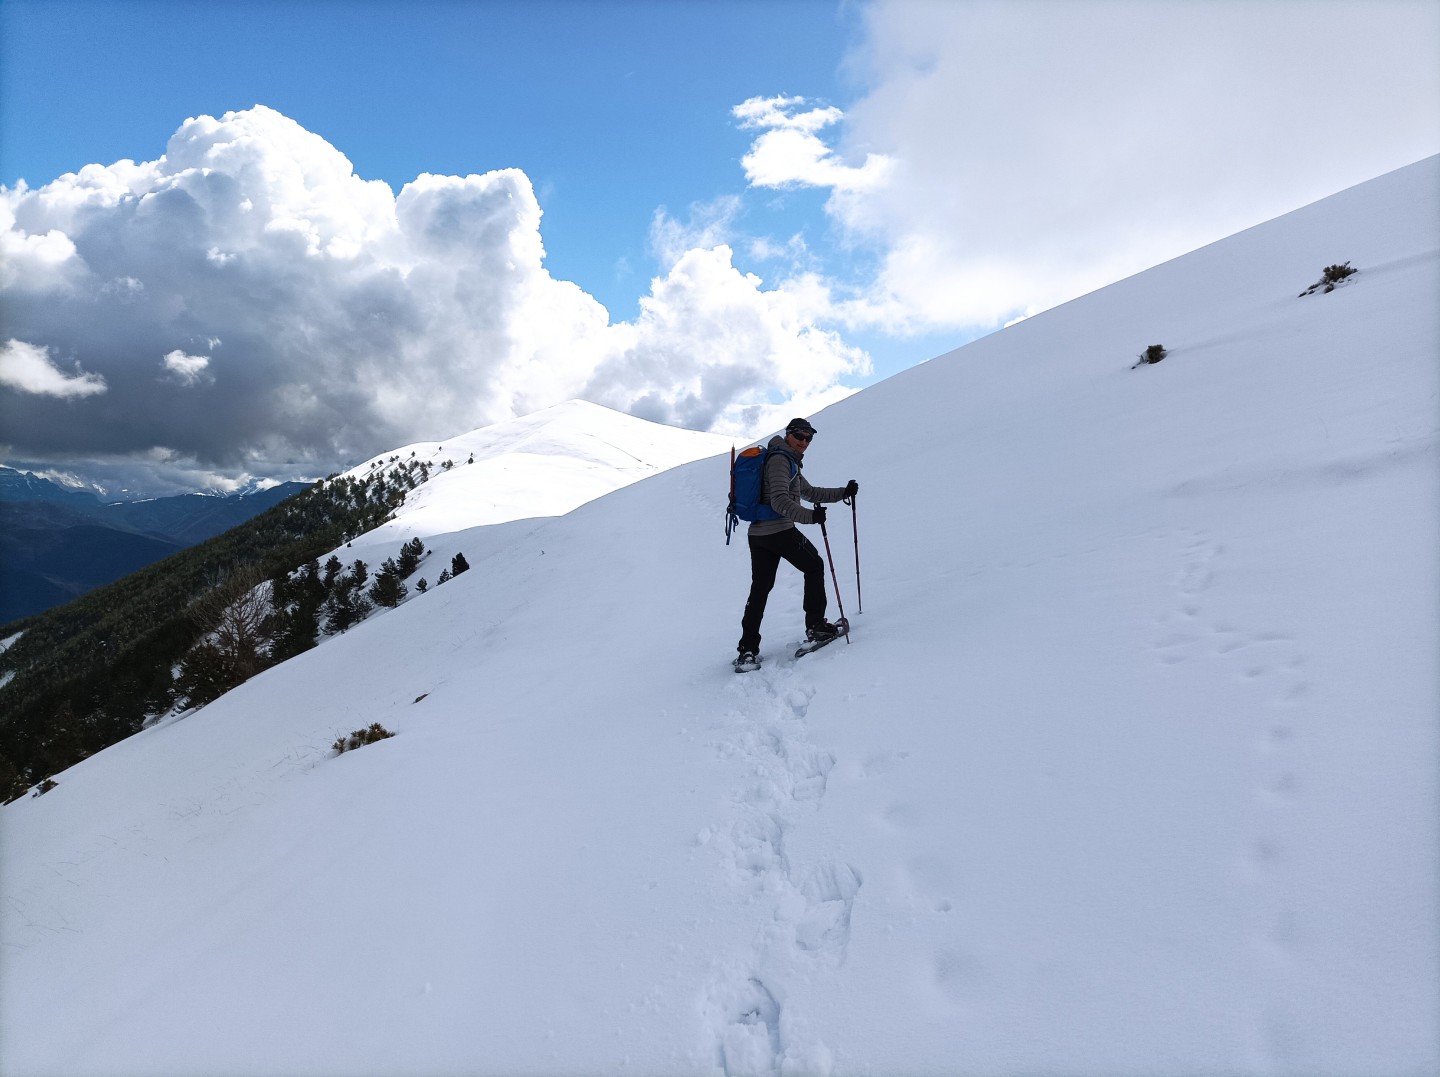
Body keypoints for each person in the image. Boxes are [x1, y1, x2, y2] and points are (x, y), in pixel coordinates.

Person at [736, 417, 858, 667]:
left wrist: (842, 493)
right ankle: (816, 627)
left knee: (760, 588)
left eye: (808, 438)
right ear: (788, 435)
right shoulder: (780, 460)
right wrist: (811, 517)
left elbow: (810, 492)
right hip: (779, 531)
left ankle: (747, 650)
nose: (804, 441)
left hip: (758, 535)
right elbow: (779, 501)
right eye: (799, 436)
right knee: (814, 566)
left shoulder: (785, 459)